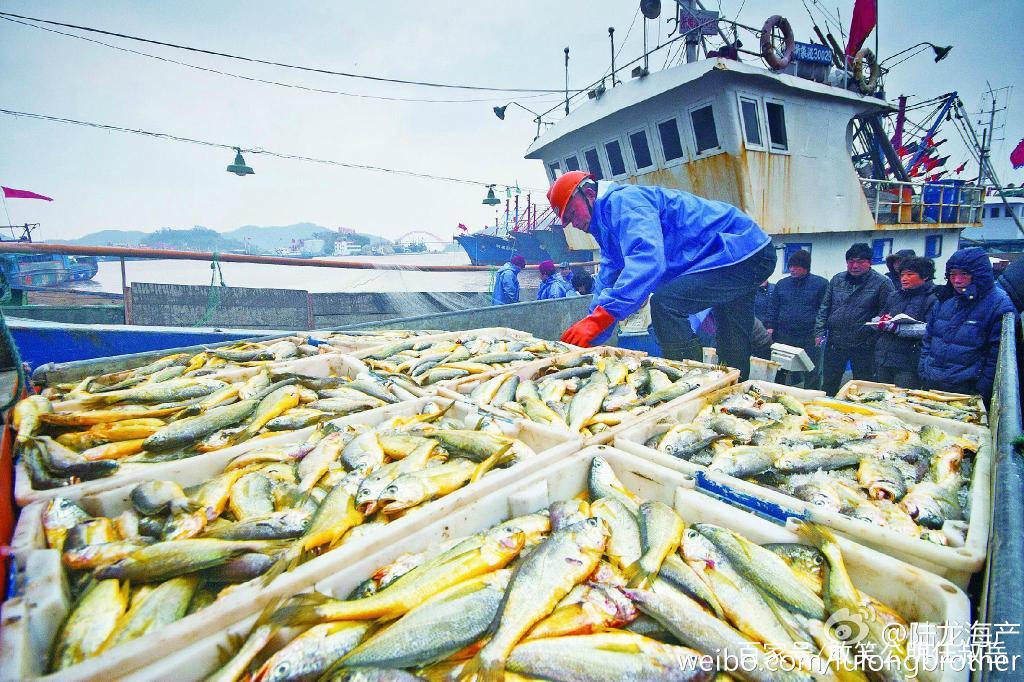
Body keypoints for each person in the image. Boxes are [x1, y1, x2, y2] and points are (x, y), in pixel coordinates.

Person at [547, 171, 775, 379]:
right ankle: (731, 390)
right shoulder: (605, 228)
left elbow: (647, 261)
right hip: (747, 253)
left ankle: (690, 383)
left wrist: (602, 317)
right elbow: (607, 279)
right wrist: (591, 326)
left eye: (573, 213)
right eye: (567, 221)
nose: (573, 224)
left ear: (589, 194)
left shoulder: (625, 202)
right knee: (731, 342)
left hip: (739, 249)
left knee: (665, 305)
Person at [919, 247, 1015, 403]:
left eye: (964, 274)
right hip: (933, 386)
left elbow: (996, 357)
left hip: (967, 393)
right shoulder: (945, 300)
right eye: (952, 274)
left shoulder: (999, 306)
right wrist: (924, 370)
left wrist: (980, 391)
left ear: (979, 274)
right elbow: (928, 338)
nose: (957, 280)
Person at [815, 242, 894, 395]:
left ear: (870, 262)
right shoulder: (837, 279)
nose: (855, 265)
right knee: (829, 384)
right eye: (851, 261)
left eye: (860, 261)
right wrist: (819, 332)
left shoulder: (883, 283)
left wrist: (872, 338)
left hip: (864, 345)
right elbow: (824, 308)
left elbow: (887, 314)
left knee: (863, 387)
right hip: (836, 343)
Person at [765, 249, 828, 388]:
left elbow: (824, 310)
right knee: (781, 368)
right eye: (790, 266)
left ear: (806, 267)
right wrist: (770, 326)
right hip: (784, 335)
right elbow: (773, 307)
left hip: (810, 335)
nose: (792, 269)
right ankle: (779, 392)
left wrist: (820, 333)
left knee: (812, 369)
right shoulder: (782, 284)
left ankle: (812, 396)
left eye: (796, 267)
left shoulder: (821, 284)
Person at [872, 256, 938, 389]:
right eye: (902, 274)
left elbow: (930, 329)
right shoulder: (895, 296)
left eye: (910, 274)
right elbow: (883, 316)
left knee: (902, 399)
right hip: (884, 359)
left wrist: (898, 328)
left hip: (908, 363)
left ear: (924, 276)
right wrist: (880, 321)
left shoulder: (933, 298)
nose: (904, 278)